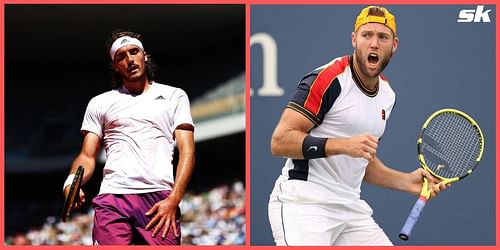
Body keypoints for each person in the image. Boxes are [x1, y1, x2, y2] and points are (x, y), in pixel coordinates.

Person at [267, 6, 449, 246]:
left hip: (350, 209)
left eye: (382, 37)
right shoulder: (328, 79)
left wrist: (406, 181)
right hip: (303, 204)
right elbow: (279, 141)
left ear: (394, 45)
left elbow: (362, 161)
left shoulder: (387, 95)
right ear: (354, 39)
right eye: (367, 35)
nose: (374, 43)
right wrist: (343, 145)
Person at [62, 30, 195, 245]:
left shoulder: (175, 96)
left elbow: (187, 152)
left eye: (134, 52)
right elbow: (87, 155)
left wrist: (174, 199)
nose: (129, 59)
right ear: (115, 66)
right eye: (121, 56)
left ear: (145, 56)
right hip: (113, 198)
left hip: (159, 199)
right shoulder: (99, 103)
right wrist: (72, 181)